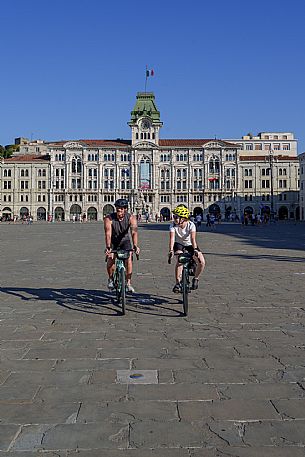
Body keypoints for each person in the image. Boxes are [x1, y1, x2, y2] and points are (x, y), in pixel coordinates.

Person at [104, 198, 140, 293]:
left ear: (125, 209)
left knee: (129, 259)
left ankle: (128, 283)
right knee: (111, 258)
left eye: (121, 210)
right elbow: (108, 234)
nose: (119, 212)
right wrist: (108, 247)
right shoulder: (109, 218)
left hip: (125, 241)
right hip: (113, 241)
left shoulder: (131, 218)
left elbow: (134, 232)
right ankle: (111, 279)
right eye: (117, 210)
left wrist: (135, 246)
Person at [168, 205, 205, 293]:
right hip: (179, 244)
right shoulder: (173, 225)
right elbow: (172, 239)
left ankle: (196, 278)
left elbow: (193, 239)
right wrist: (171, 250)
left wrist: (195, 249)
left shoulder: (191, 225)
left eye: (176, 217)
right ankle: (177, 283)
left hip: (190, 244)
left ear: (183, 218)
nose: (174, 218)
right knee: (180, 261)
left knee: (202, 262)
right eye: (174, 216)